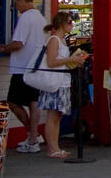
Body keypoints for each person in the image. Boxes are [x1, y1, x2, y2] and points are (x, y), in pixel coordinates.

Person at [0, 0, 48, 154]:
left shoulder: (25, 18)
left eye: (16, 2)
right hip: (36, 66)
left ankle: (32, 135)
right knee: (34, 103)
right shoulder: (41, 18)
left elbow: (18, 43)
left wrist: (4, 48)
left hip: (22, 68)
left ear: (22, 0)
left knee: (13, 102)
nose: (16, 6)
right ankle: (34, 137)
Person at [34, 11, 88, 159]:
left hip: (62, 81)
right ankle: (52, 148)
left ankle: (55, 146)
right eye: (69, 22)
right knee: (52, 115)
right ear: (61, 24)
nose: (72, 25)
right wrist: (69, 59)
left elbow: (61, 62)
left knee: (58, 115)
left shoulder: (62, 41)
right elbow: (51, 62)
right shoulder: (54, 40)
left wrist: (74, 60)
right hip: (54, 82)